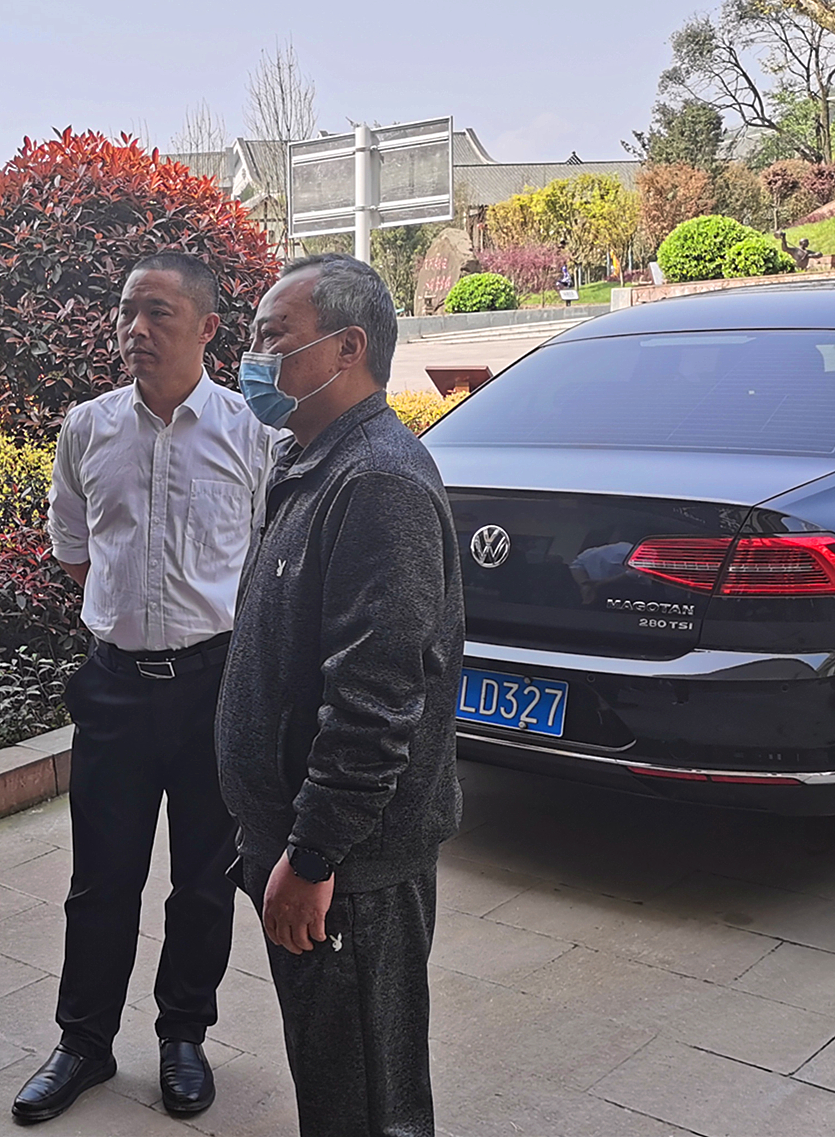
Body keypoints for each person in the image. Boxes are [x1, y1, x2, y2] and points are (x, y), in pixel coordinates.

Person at [14, 252, 277, 1124]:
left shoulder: (251, 433)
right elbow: (74, 548)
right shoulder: (88, 428)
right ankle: (83, 1042)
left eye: (158, 312)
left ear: (207, 328)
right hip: (117, 688)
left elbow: (268, 563)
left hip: (215, 688)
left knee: (203, 882)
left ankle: (183, 1036)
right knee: (101, 880)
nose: (136, 329)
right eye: (127, 310)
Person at [216, 253, 464, 1137]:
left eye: (273, 337)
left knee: (364, 1096)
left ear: (348, 348)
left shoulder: (377, 482)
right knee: (335, 1078)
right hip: (305, 849)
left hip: (347, 870)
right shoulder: (314, 463)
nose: (254, 358)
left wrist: (315, 854)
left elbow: (375, 699)